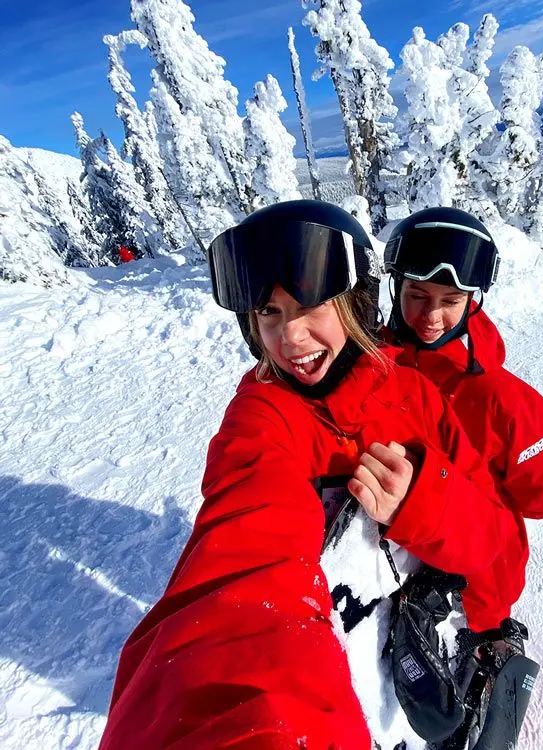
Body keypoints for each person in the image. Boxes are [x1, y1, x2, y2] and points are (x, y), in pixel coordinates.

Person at [98, 200, 519, 750]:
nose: (290, 337)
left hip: (418, 658)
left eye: (310, 304)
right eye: (269, 312)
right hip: (344, 707)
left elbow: (498, 546)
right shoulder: (263, 419)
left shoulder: (416, 399)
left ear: (355, 304)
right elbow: (245, 577)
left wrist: (427, 504)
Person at [383, 206, 543, 635]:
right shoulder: (371, 369)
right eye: (417, 296)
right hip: (393, 570)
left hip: (474, 591)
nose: (431, 317)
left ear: (473, 301)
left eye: (450, 302)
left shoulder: (508, 401)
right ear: (397, 290)